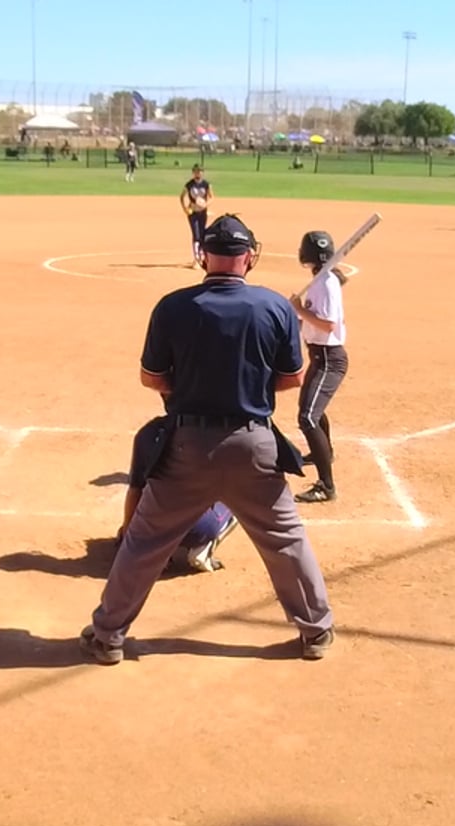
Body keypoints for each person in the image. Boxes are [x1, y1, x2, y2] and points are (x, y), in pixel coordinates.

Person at [82, 214, 335, 665]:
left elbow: (151, 377)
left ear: (204, 256)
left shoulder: (173, 306)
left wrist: (190, 388)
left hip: (187, 446)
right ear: (249, 257)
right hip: (253, 444)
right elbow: (292, 378)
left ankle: (107, 637)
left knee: (144, 542)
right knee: (285, 539)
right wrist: (248, 385)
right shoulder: (274, 306)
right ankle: (315, 631)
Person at [120, 415, 240, 574]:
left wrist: (129, 538)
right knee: (239, 491)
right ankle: (202, 550)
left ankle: (158, 551)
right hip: (196, 528)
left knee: (155, 495)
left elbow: (135, 490)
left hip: (150, 525)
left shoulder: (148, 432)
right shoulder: (212, 434)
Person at [289, 231, 350, 504]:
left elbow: (327, 325)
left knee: (308, 417)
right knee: (312, 410)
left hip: (329, 359)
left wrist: (298, 309)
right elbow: (315, 322)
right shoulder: (322, 279)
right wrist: (297, 315)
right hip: (320, 356)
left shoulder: (325, 282)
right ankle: (323, 452)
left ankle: (326, 486)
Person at [179, 164, 213, 267]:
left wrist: (206, 204)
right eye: (196, 171)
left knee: (202, 234)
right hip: (193, 212)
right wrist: (185, 209)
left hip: (203, 212)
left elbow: (212, 197)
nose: (198, 173)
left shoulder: (206, 184)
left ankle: (202, 256)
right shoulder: (189, 185)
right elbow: (182, 197)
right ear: (193, 173)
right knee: (196, 234)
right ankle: (196, 259)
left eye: (200, 171)